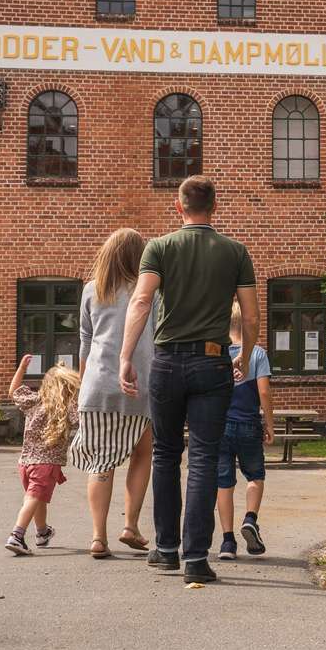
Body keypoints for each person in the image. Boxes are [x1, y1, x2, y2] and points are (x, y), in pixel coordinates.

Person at [120, 175, 259, 585]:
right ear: (214, 208)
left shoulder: (159, 248)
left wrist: (125, 356)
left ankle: (165, 551)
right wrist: (245, 357)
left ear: (178, 208)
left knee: (165, 454)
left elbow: (142, 300)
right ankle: (196, 558)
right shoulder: (235, 252)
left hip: (165, 363)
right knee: (203, 458)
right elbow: (250, 316)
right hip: (212, 363)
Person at [68, 228, 156, 559]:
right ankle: (130, 525)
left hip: (97, 386)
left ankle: (97, 536)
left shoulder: (92, 290)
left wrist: (81, 385)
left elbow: (85, 342)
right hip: (138, 384)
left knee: (101, 462)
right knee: (143, 451)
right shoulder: (149, 292)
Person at [5, 355, 80, 555]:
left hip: (25, 463)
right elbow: (84, 419)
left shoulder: (34, 400)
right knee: (33, 499)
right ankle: (17, 535)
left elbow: (13, 393)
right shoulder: (68, 407)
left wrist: (21, 368)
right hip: (46, 465)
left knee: (37, 498)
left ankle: (42, 532)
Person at [216, 301, 274, 560]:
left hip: (221, 426)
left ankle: (227, 542)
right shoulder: (258, 354)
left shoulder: (219, 353)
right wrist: (269, 424)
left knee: (224, 483)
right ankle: (250, 518)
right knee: (255, 476)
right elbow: (264, 391)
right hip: (249, 424)